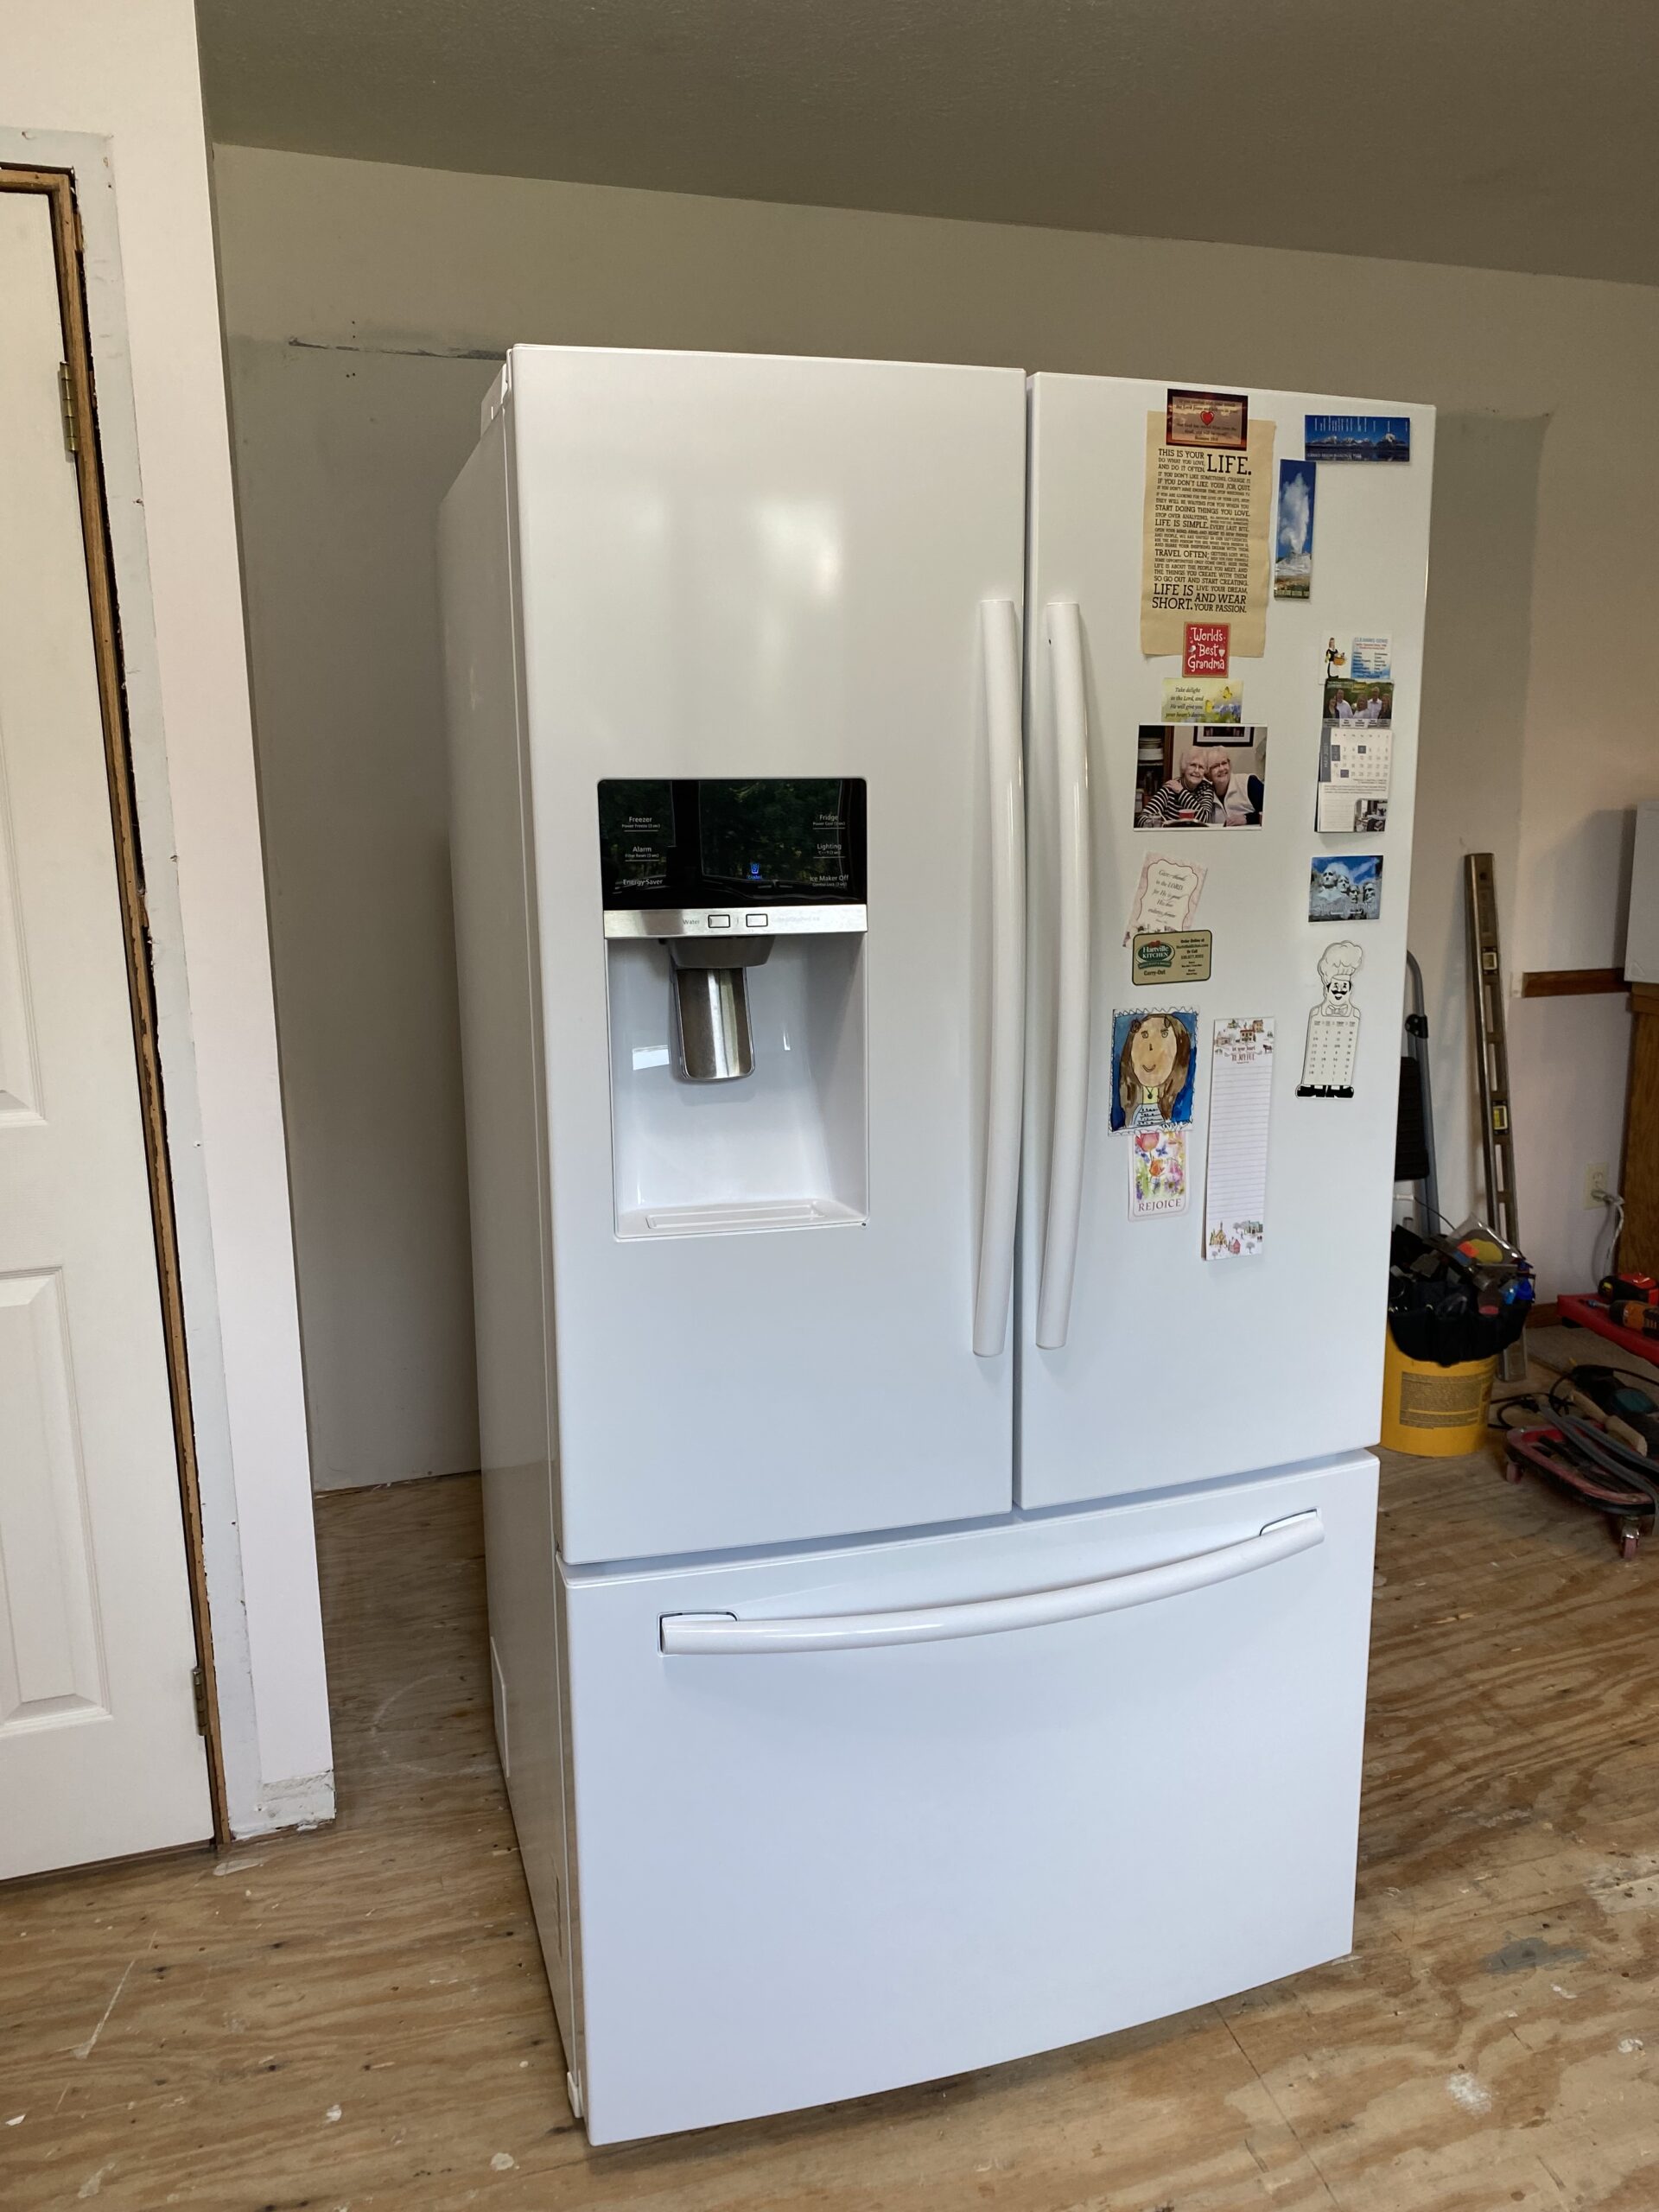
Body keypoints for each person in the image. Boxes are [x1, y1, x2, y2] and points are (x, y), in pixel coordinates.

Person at [1141, 745, 1223, 826]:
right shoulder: (1171, 787)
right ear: (1184, 767)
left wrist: (1181, 792)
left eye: (1201, 767)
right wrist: (1153, 823)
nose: (1197, 771)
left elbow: (1204, 818)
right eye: (1193, 765)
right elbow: (1143, 817)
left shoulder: (1206, 788)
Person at [1206, 749, 1258, 826]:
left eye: (1224, 763)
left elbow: (1272, 811)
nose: (1221, 769)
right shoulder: (1205, 794)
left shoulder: (1248, 782)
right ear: (1208, 774)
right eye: (1215, 766)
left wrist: (1247, 818)